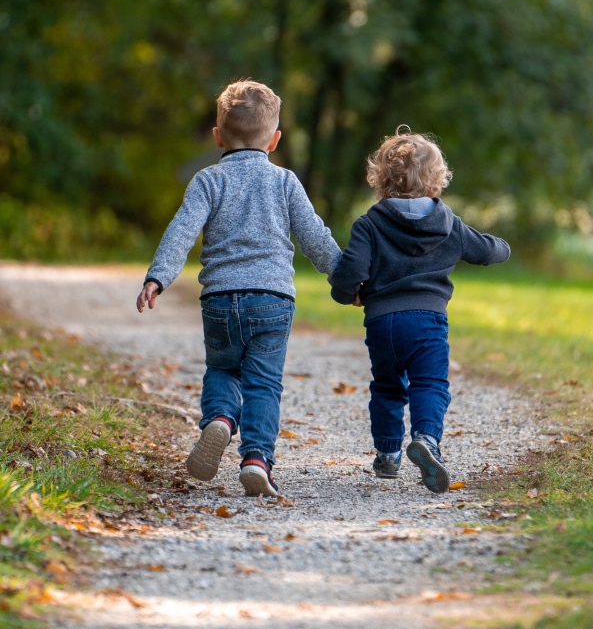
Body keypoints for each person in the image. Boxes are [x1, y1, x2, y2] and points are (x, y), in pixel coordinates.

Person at [136, 80, 340, 496]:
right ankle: (257, 460)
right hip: (273, 301)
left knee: (222, 368)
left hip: (219, 300)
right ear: (275, 139)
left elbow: (181, 232)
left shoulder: (207, 181)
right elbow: (314, 237)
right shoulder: (285, 182)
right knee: (263, 383)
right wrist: (346, 278)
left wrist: (157, 277)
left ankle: (221, 419)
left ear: (217, 136)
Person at [330, 128, 510, 494]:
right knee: (430, 383)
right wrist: (504, 247)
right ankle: (427, 439)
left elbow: (351, 271)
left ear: (380, 181)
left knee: (386, 386)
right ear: (435, 183)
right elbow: (487, 251)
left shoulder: (369, 223)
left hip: (382, 323)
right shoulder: (448, 224)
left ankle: (387, 454)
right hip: (428, 322)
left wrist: (347, 294)